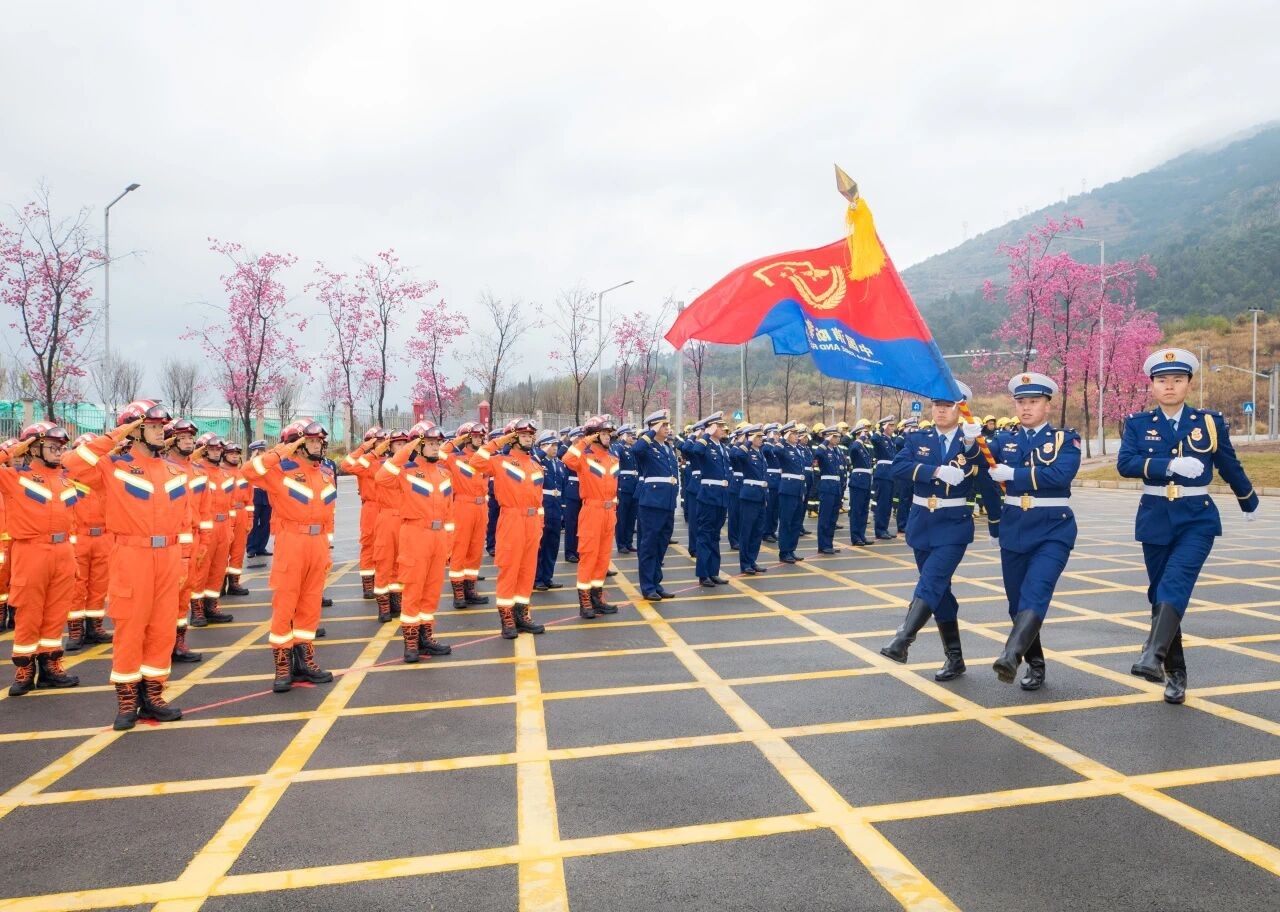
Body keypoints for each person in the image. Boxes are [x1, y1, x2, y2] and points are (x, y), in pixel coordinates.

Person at [1117, 347, 1258, 704]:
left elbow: (1228, 463)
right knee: (1160, 593)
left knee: (1176, 582)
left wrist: (1248, 499)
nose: (1170, 386)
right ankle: (1175, 671)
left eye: (1177, 380)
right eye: (1162, 380)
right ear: (1152, 385)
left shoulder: (1208, 422)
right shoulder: (1137, 423)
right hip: (1155, 516)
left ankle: (1152, 655)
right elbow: (1126, 463)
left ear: (1189, 384)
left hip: (1197, 517)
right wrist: (1168, 466)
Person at [64, 401, 192, 729]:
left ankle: (153, 695)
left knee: (162, 629)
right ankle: (127, 699)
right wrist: (117, 434)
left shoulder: (176, 471)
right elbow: (72, 463)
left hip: (169, 557)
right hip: (131, 555)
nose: (161, 432)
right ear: (135, 431)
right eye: (153, 427)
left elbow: (185, 520)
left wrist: (185, 559)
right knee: (130, 628)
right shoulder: (112, 467)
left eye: (162, 427)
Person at [879, 383, 994, 681]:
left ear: (961, 409)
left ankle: (903, 639)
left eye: (948, 406)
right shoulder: (918, 438)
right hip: (922, 523)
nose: (941, 411)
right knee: (939, 590)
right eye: (937, 405)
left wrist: (972, 444)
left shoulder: (972, 440)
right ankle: (955, 659)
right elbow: (898, 468)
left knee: (931, 580)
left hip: (953, 525)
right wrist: (936, 471)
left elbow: (987, 470)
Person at [985, 372, 1081, 689]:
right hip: (1014, 528)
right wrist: (971, 441)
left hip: (1053, 528)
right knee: (1017, 604)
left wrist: (1013, 473)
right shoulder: (1004, 440)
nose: (1026, 408)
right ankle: (1035, 662)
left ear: (1047, 405)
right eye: (1021, 402)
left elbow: (1060, 475)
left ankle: (1010, 655)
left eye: (1034, 401)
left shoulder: (1065, 440)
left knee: (1036, 591)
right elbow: (977, 462)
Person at [246, 419, 337, 693]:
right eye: (310, 441)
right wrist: (280, 451)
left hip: (318, 543)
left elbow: (329, 513)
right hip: (292, 542)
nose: (317, 445)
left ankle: (304, 661)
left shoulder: (326, 473)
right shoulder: (279, 471)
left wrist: (327, 548)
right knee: (285, 605)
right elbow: (248, 471)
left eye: (319, 441)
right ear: (297, 444)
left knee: (311, 605)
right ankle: (283, 665)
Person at [0, 424, 79, 695]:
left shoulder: (66, 480)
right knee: (29, 613)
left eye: (61, 447)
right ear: (33, 449)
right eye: (52, 447)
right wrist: (14, 450)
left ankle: (50, 666)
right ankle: (24, 670)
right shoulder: (15, 477)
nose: (58, 452)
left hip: (63, 551)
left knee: (56, 612)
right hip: (31, 550)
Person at [378, 423, 453, 662]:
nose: (436, 447)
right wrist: (407, 447)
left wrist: (449, 544)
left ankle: (426, 638)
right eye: (430, 443)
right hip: (415, 534)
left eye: (437, 443)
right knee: (413, 589)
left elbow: (449, 512)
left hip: (438, 536)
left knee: (432, 590)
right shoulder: (405, 471)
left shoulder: (444, 473)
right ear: (418, 446)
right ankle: (411, 643)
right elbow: (381, 477)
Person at [471, 419, 546, 638]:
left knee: (527, 571)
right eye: (523, 435)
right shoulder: (499, 462)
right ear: (512, 438)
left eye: (530, 435)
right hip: (512, 520)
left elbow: (539, 499)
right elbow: (476, 461)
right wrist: (499, 441)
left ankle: (522, 615)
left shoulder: (536, 465)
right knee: (509, 571)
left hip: (532, 522)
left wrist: (540, 525)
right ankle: (507, 619)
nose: (528, 439)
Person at [561, 415, 621, 619]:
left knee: (603, 558)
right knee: (588, 557)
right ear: (593, 436)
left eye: (609, 433)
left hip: (609, 512)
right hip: (592, 511)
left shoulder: (613, 458)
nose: (608, 437)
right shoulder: (584, 458)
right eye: (603, 433)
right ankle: (585, 601)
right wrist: (585, 440)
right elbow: (567, 459)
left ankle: (597, 598)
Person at [64, 432, 113, 652]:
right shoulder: (66, 479)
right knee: (76, 587)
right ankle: (75, 631)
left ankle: (95, 627)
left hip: (103, 536)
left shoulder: (105, 477)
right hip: (79, 538)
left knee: (99, 586)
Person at [440, 422, 491, 608]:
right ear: (467, 438)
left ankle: (470, 589)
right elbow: (440, 454)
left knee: (475, 551)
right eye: (475, 436)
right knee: (459, 550)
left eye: (481, 437)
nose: (479, 439)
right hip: (463, 506)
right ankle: (459, 593)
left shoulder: (485, 459)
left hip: (481, 507)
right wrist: (458, 439)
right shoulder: (454, 458)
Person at [631, 409, 679, 600]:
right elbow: (636, 450)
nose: (667, 428)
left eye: (667, 425)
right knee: (649, 545)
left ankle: (656, 583)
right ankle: (648, 586)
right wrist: (651, 432)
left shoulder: (667, 448)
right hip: (652, 502)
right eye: (663, 425)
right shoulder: (647, 446)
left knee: (661, 545)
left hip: (667, 502)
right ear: (653, 426)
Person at [681, 412, 732, 588]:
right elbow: (694, 450)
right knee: (705, 535)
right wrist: (705, 435)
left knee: (715, 535)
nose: (723, 429)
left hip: (721, 496)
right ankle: (703, 574)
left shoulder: (722, 447)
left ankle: (713, 571)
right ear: (711, 428)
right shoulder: (705, 444)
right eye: (719, 426)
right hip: (709, 495)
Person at [341, 426, 385, 599]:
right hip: (371, 508)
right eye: (378, 441)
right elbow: (346, 465)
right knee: (369, 546)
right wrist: (365, 448)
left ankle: (385, 582)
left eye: (384, 441)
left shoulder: (390, 461)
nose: (382, 445)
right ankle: (368, 583)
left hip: (389, 508)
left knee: (388, 547)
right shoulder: (365, 462)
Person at [731, 425, 769, 574]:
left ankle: (752, 560)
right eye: (757, 437)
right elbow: (737, 455)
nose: (760, 439)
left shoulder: (760, 452)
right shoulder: (746, 452)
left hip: (761, 495)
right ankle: (745, 563)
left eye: (761, 437)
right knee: (746, 531)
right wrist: (747, 441)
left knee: (757, 531)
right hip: (750, 495)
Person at [533, 429, 567, 591]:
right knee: (541, 544)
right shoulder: (538, 463)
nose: (554, 448)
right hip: (544, 506)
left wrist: (563, 508)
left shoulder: (559, 464)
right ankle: (537, 578)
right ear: (542, 446)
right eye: (551, 445)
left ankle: (547, 577)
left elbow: (563, 487)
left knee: (553, 543)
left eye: (556, 445)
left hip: (556, 506)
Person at [222, 441, 252, 597]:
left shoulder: (243, 474)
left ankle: (234, 583)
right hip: (226, 514)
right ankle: (219, 583)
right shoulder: (220, 473)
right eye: (231, 453)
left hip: (241, 514)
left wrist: (250, 518)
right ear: (224, 455)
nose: (234, 456)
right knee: (222, 551)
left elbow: (250, 499)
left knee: (238, 550)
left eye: (236, 454)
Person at [814, 426, 846, 554]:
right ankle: (823, 545)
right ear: (828, 437)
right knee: (825, 517)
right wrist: (826, 441)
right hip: (827, 486)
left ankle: (829, 544)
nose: (838, 439)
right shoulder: (823, 450)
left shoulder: (836, 451)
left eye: (838, 436)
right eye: (835, 436)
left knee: (833, 518)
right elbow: (817, 453)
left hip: (836, 487)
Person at [846, 419, 874, 547]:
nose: (866, 435)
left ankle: (861, 535)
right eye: (864, 433)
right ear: (858, 434)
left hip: (865, 482)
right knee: (856, 511)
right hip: (858, 482)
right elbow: (853, 449)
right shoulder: (855, 445)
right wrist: (860, 438)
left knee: (864, 511)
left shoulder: (864, 448)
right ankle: (855, 537)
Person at [870, 417, 898, 539]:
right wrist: (880, 429)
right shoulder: (880, 438)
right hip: (883, 474)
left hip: (890, 474)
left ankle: (884, 528)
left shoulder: (890, 440)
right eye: (890, 426)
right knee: (882, 503)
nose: (892, 428)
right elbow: (874, 438)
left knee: (888, 504)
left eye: (893, 426)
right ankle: (880, 530)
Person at [613, 425, 640, 553]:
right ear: (622, 436)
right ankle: (621, 544)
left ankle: (629, 542)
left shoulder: (632, 448)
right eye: (628, 435)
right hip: (624, 487)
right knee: (622, 517)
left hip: (634, 486)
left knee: (631, 517)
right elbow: (615, 464)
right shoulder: (619, 448)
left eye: (631, 435)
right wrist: (622, 441)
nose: (631, 437)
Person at [245, 439, 273, 559]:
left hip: (266, 494)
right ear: (255, 451)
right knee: (254, 523)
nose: (263, 452)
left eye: (263, 450)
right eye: (260, 450)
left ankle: (261, 547)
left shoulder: (267, 463)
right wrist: (253, 459)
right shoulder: (250, 464)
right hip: (255, 494)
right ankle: (251, 548)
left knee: (266, 523)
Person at [562, 427, 583, 564]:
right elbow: (562, 456)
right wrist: (571, 443)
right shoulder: (568, 450)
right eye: (579, 437)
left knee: (581, 525)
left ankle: (579, 550)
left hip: (584, 489)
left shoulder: (583, 450)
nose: (582, 440)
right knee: (571, 524)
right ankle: (570, 552)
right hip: (572, 490)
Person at [762, 423, 782, 543]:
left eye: (778, 434)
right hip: (771, 479)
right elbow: (766, 450)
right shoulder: (766, 446)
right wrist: (769, 439)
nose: (777, 436)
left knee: (776, 508)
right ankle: (766, 532)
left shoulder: (777, 446)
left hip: (779, 479)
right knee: (769, 507)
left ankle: (772, 530)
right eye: (775, 434)